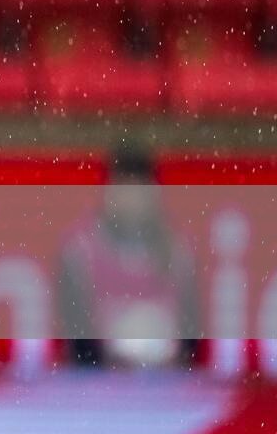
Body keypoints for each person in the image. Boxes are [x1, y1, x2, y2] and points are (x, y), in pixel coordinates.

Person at [59, 146, 200, 368]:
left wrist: (172, 361)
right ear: (109, 193)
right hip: (100, 379)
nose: (131, 201)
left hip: (166, 378)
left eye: (138, 191)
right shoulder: (80, 253)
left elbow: (190, 334)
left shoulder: (178, 251)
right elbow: (76, 336)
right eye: (125, 190)